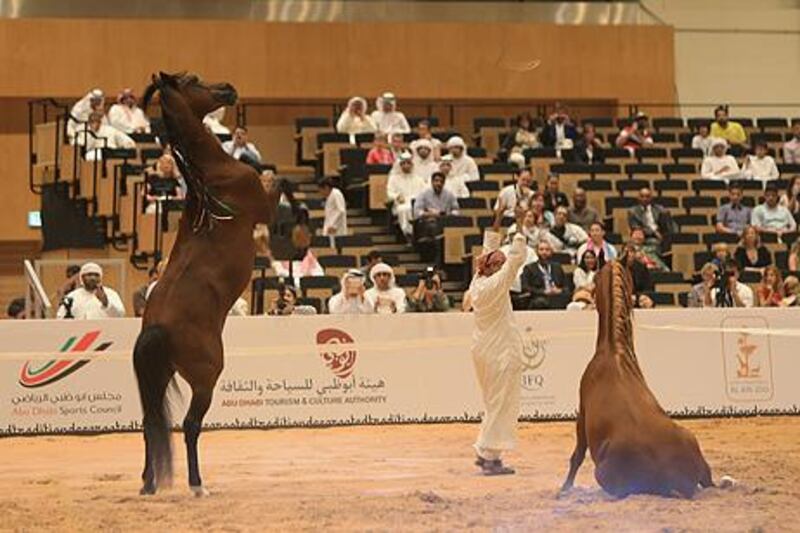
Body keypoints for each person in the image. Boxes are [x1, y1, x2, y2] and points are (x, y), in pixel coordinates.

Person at [468, 207, 528, 475]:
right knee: (501, 402)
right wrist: (519, 224)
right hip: (500, 351)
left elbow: (487, 250)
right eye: (499, 264)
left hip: (483, 350)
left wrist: (498, 219)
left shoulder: (478, 281)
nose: (503, 266)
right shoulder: (495, 285)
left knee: (493, 401)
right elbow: (516, 259)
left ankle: (484, 451)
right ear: (494, 268)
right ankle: (490, 457)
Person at [56, 262, 125, 319]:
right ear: (82, 277)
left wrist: (106, 303)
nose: (93, 278)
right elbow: (60, 317)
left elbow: (120, 315)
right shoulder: (72, 296)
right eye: (89, 275)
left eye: (96, 275)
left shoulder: (111, 294)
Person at [387, 152, 427, 240]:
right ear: (399, 165)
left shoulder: (418, 179)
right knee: (404, 209)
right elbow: (389, 193)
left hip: (416, 203)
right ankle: (408, 233)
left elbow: (425, 192)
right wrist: (397, 197)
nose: (406, 166)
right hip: (401, 203)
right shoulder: (393, 178)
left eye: (408, 163)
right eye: (403, 163)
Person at [520, 240, 567, 309]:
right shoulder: (529, 268)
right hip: (538, 297)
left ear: (551, 252)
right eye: (541, 249)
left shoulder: (557, 267)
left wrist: (560, 290)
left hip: (556, 296)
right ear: (536, 252)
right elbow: (525, 287)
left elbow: (567, 286)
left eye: (547, 250)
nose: (544, 252)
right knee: (541, 302)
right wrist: (543, 292)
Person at [619, 244, 655, 309]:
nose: (629, 254)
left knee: (647, 302)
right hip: (621, 299)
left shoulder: (641, 268)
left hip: (637, 299)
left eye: (631, 252)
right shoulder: (616, 268)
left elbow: (649, 287)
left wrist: (639, 297)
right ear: (622, 254)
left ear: (635, 254)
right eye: (626, 252)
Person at [320, 178, 347, 244]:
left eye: (321, 190)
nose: (321, 193)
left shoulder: (336, 194)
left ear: (326, 187)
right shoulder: (330, 196)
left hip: (335, 228)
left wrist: (334, 225)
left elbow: (341, 210)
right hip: (330, 226)